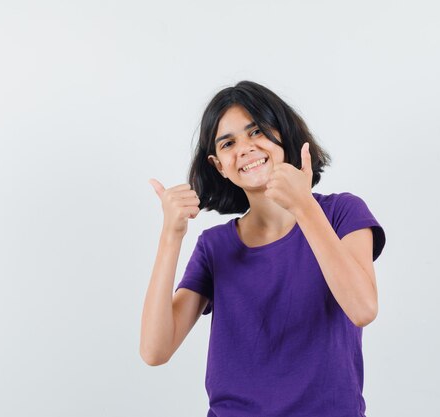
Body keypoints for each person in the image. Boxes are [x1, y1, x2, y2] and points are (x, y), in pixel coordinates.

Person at [140, 80, 386, 417]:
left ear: (282, 135)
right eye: (228, 143)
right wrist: (171, 234)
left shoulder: (342, 213)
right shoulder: (215, 248)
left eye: (256, 132)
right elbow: (155, 350)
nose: (244, 148)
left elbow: (363, 309)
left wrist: (303, 206)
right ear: (219, 165)